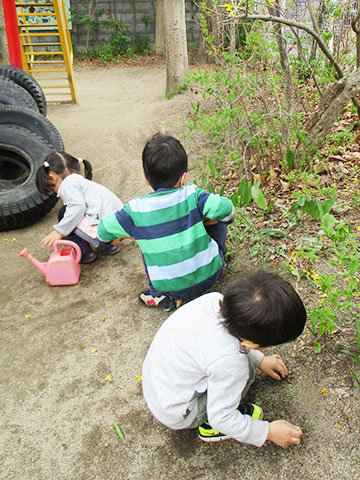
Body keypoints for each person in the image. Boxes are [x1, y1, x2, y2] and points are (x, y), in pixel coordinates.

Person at [141, 270, 307, 448]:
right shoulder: (231, 362)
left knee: (237, 365)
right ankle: (209, 428)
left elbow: (227, 341)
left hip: (159, 385)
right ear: (251, 344)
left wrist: (260, 360)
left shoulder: (213, 300)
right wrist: (268, 431)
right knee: (246, 374)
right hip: (178, 411)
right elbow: (221, 415)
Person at [97, 133, 234, 311]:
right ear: (184, 178)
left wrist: (114, 238)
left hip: (170, 287)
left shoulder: (135, 211)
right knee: (216, 218)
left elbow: (102, 231)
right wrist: (221, 219)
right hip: (211, 276)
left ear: (146, 178)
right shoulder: (192, 195)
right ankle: (218, 261)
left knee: (146, 241)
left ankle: (158, 294)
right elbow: (225, 208)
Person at [36, 151, 124, 263]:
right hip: (119, 224)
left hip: (106, 229)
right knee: (71, 215)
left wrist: (60, 231)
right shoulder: (81, 183)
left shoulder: (68, 185)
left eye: (51, 188)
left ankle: (85, 253)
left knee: (64, 213)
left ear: (52, 178)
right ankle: (109, 245)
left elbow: (77, 208)